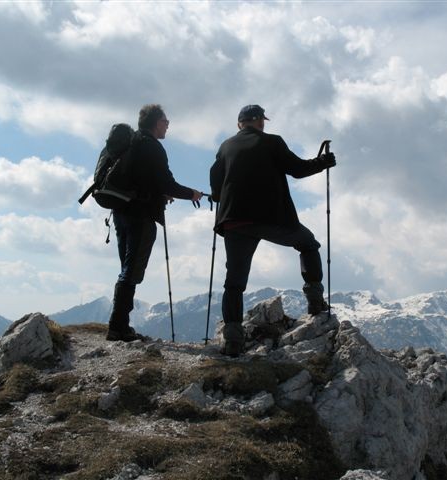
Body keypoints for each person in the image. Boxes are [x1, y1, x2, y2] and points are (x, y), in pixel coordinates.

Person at [210, 104, 336, 357]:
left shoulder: (225, 146)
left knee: (234, 282)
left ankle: (233, 340)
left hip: (234, 220)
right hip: (272, 218)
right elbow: (298, 170)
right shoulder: (272, 142)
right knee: (308, 244)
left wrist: (221, 198)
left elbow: (215, 180)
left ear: (239, 124)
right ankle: (315, 302)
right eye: (262, 121)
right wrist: (323, 162)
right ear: (260, 122)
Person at [107, 104, 203, 342]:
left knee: (127, 268)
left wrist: (160, 193)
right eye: (165, 121)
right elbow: (166, 183)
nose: (168, 125)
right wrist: (191, 193)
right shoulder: (152, 147)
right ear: (156, 123)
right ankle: (117, 327)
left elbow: (143, 180)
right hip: (141, 215)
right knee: (132, 271)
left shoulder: (132, 143)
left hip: (120, 211)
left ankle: (120, 325)